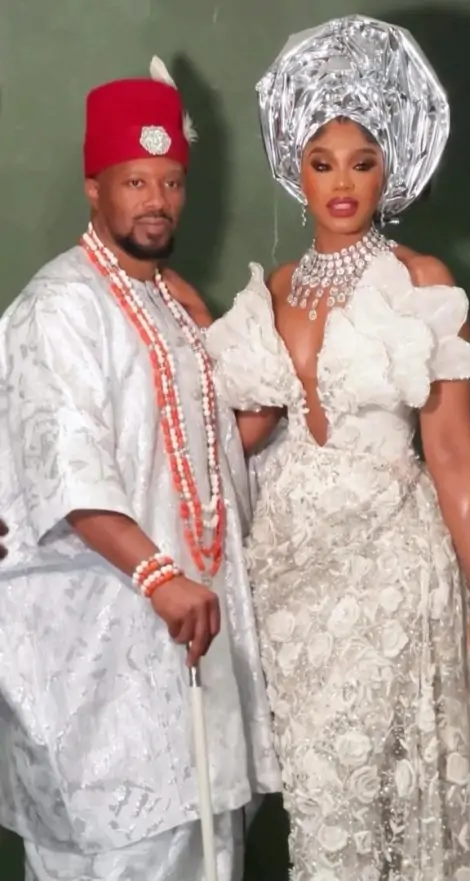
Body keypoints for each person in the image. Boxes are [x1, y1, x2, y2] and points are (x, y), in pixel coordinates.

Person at [202, 17, 470, 881]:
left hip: (391, 569)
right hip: (290, 574)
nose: (342, 182)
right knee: (319, 804)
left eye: (362, 161)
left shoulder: (422, 282)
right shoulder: (273, 289)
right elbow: (244, 432)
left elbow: (453, 453)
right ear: (296, 169)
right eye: (322, 162)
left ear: (391, 169)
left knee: (377, 793)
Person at [0, 61, 280, 881]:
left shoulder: (170, 305)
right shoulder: (61, 306)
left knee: (203, 848)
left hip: (191, 644)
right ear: (94, 187)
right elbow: (68, 468)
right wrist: (160, 577)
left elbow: (193, 457)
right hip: (102, 650)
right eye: (135, 182)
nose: (156, 200)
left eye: (171, 182)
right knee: (119, 857)